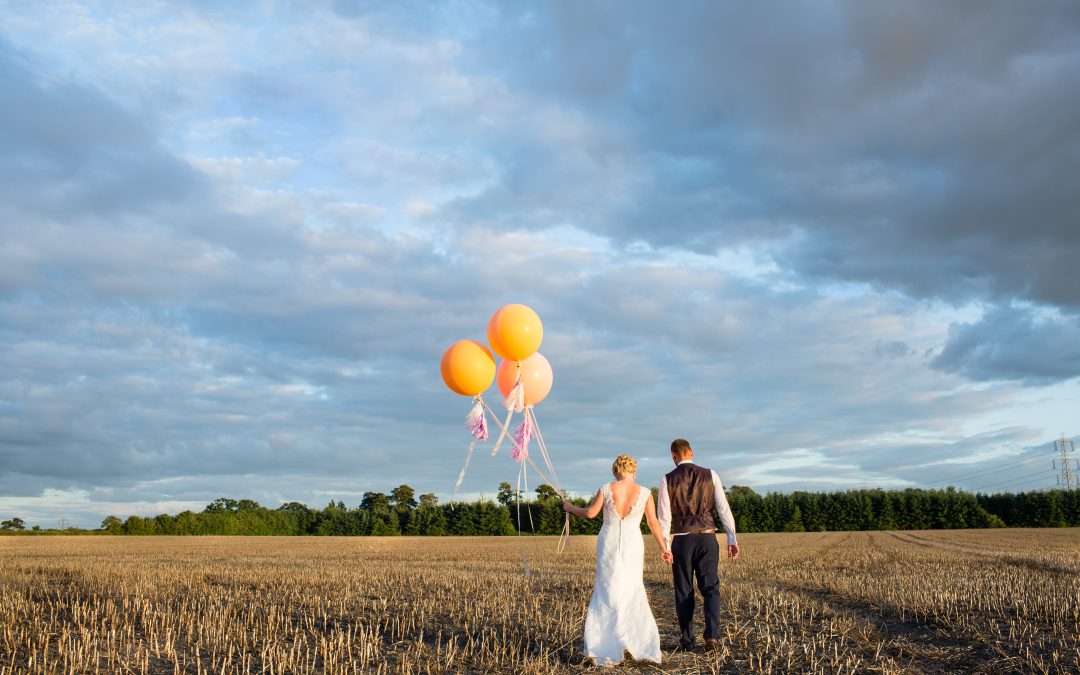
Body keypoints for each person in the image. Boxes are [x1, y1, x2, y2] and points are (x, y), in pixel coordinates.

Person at [562, 454, 667, 666]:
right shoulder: (645, 493)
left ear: (615, 471)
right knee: (631, 587)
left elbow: (591, 513)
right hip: (633, 543)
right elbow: (653, 523)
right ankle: (634, 640)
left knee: (607, 588)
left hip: (608, 541)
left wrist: (570, 507)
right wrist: (664, 547)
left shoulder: (607, 488)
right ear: (633, 471)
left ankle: (604, 644)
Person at [656, 438, 740, 651]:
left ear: (674, 456)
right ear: (691, 452)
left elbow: (664, 518)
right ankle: (712, 636)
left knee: (683, 590)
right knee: (711, 588)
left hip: (682, 539)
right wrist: (732, 538)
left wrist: (665, 546)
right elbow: (723, 508)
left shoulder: (667, 479)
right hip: (707, 537)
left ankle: (687, 640)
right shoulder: (711, 474)